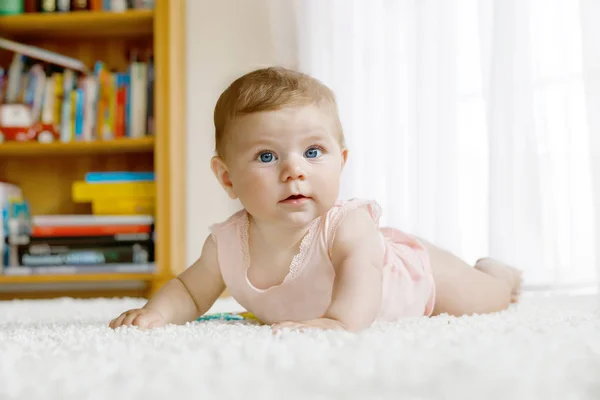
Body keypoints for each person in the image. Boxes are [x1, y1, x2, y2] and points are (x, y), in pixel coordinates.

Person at [109, 67, 522, 332]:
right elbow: (189, 290)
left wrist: (338, 323)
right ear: (226, 177)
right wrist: (157, 314)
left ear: (340, 162)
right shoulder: (226, 245)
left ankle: (495, 272)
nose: (294, 171)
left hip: (417, 280)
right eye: (267, 156)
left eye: (312, 152)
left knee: (491, 299)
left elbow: (360, 272)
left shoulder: (346, 225)